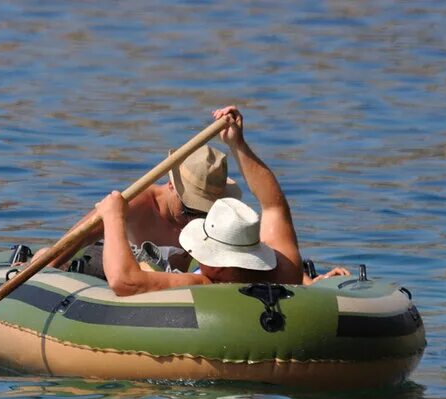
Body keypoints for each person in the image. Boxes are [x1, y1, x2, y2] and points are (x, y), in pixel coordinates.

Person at [97, 106, 348, 297]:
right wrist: (238, 144)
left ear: (215, 267)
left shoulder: (202, 284)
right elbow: (274, 205)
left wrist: (113, 216)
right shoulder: (285, 272)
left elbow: (124, 281)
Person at [45, 138, 242, 274]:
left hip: (164, 290)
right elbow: (76, 238)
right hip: (105, 273)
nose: (194, 220)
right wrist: (42, 268)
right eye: (189, 210)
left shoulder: (213, 219)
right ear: (172, 186)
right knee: (51, 258)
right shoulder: (138, 202)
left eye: (203, 213)